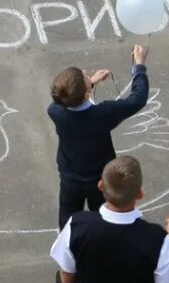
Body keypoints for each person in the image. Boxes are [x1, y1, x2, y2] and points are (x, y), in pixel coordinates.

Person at [48, 44, 150, 228]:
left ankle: (68, 247)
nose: (87, 73)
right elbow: (137, 98)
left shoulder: (55, 111)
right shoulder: (102, 115)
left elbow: (67, 100)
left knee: (68, 219)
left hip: (70, 176)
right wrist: (139, 66)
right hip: (100, 179)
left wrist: (90, 82)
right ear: (87, 93)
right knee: (104, 219)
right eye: (85, 76)